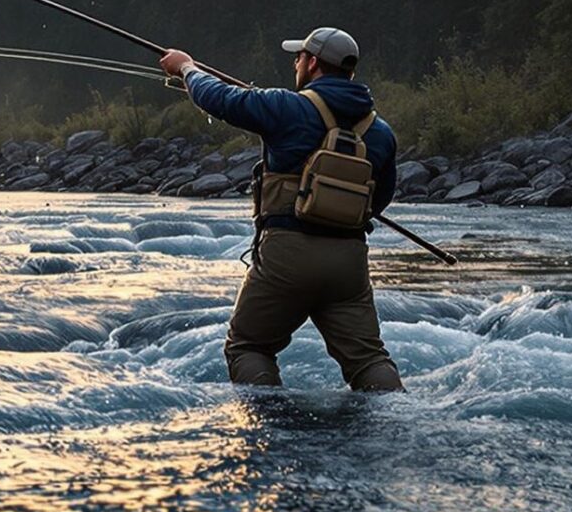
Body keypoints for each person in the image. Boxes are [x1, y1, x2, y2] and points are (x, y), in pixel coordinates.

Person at [157, 27, 404, 391]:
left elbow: (222, 100)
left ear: (313, 62)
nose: (295, 63)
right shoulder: (380, 132)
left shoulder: (284, 106)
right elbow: (378, 200)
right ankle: (394, 414)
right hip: (348, 262)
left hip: (287, 254)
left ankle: (273, 432)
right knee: (368, 360)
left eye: (300, 56)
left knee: (248, 347)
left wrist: (187, 69)